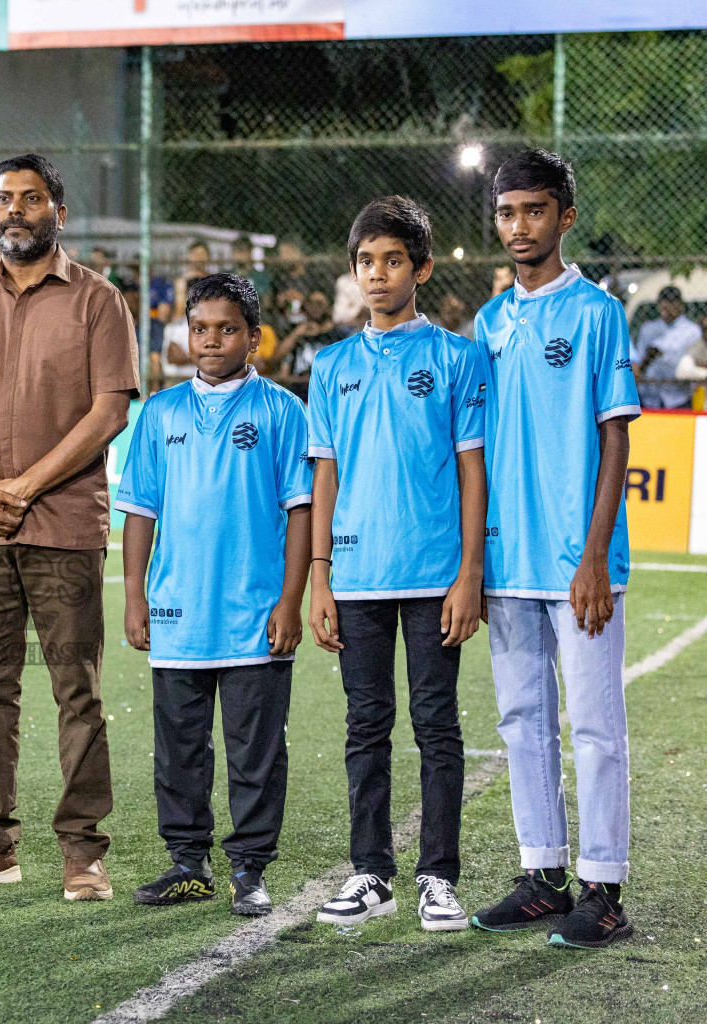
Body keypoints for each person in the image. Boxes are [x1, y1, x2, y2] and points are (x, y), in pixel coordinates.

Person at [0, 154, 139, 901]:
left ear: (59, 213)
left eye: (32, 198)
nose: (16, 210)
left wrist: (21, 486)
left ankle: (83, 851)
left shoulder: (99, 301)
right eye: (5, 198)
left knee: (77, 689)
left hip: (65, 526)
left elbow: (110, 411)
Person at [468, 150, 640, 949]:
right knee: (521, 720)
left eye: (533, 210)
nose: (518, 226)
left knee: (597, 726)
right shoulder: (490, 321)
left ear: (564, 217)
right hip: (508, 557)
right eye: (507, 212)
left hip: (578, 561)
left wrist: (596, 554)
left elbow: (615, 439)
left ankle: (603, 888)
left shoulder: (599, 312)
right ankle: (544, 873)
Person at [307, 196, 488, 932]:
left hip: (434, 576)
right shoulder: (331, 364)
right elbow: (325, 475)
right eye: (365, 262)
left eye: (391, 261)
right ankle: (370, 871)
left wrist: (469, 572)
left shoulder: (455, 356)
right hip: (354, 577)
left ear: (421, 267)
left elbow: (473, 470)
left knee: (437, 726)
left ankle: (438, 877)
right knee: (365, 725)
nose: (377, 274)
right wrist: (319, 575)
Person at [118, 273, 311, 917]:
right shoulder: (162, 412)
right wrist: (135, 597)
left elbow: (300, 512)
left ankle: (251, 868)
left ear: (253, 339)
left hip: (255, 615)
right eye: (199, 328)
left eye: (227, 329)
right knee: (178, 746)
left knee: (254, 750)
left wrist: (289, 601)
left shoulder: (282, 411)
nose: (210, 340)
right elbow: (140, 511)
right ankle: (187, 863)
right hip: (178, 612)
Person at [634, 285, 700, 409]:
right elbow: (639, 359)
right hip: (650, 396)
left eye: (671, 304)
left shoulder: (691, 330)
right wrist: (648, 359)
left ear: (680, 305)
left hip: (678, 396)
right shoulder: (648, 328)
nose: (667, 309)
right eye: (663, 305)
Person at [268, 290, 345, 380]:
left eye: (319, 303)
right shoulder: (297, 331)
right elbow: (277, 357)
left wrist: (321, 330)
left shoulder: (336, 335)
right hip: (300, 384)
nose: (315, 307)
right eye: (311, 303)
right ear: (305, 306)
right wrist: (296, 333)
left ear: (328, 307)